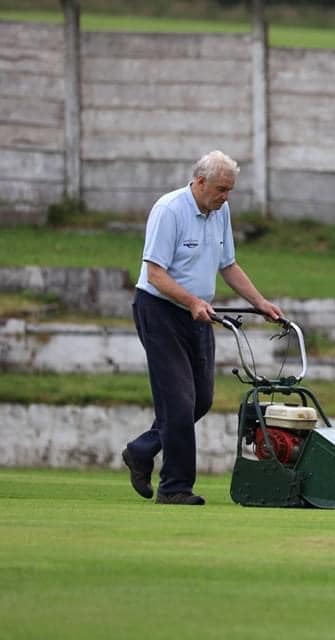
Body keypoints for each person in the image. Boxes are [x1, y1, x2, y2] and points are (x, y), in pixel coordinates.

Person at [122, 150, 282, 506]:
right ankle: (175, 488)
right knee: (178, 403)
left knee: (201, 400)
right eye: (221, 189)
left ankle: (141, 449)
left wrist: (261, 303)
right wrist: (192, 301)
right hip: (160, 311)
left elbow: (229, 265)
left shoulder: (220, 211)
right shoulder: (169, 210)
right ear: (199, 182)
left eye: (230, 190)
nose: (226, 197)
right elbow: (155, 274)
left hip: (198, 314)